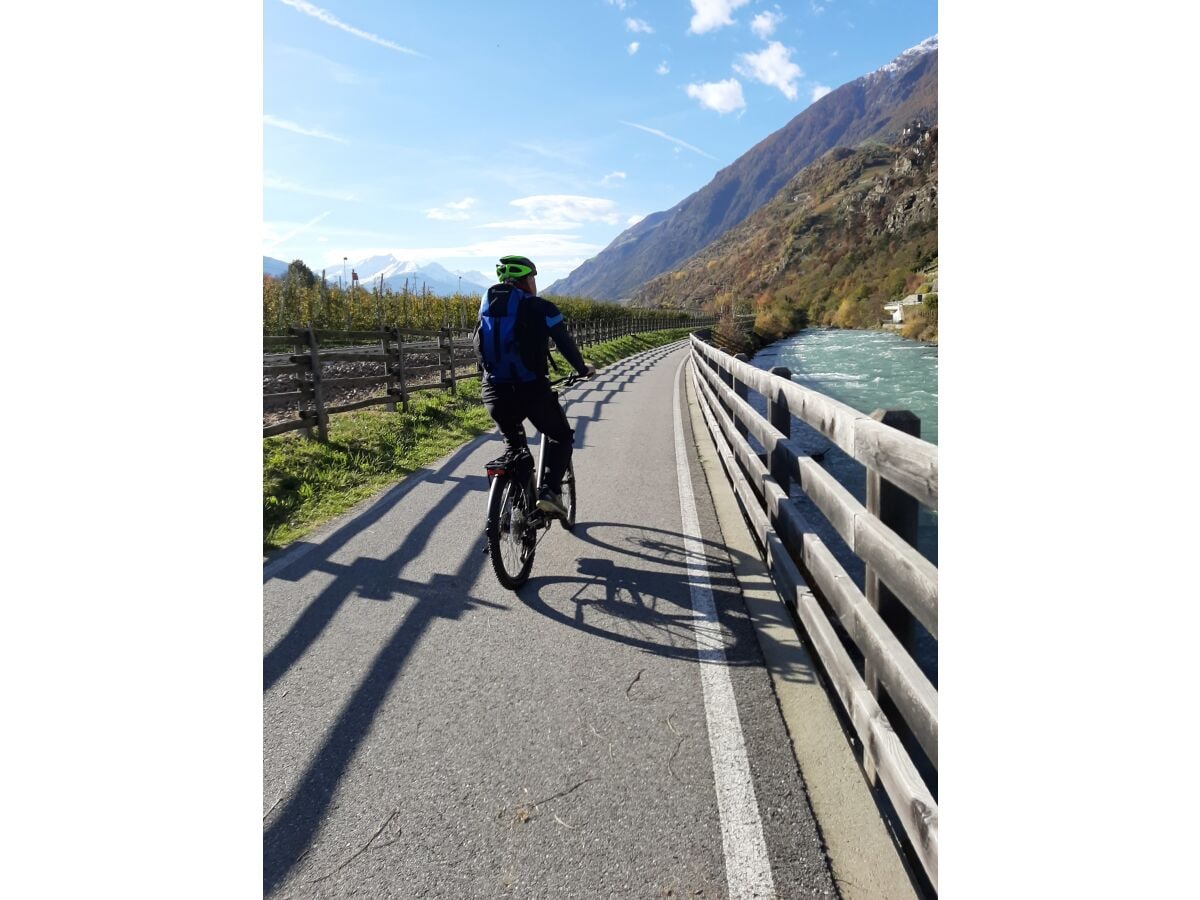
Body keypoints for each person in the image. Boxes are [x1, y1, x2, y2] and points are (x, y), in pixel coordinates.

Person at [475, 254, 595, 519]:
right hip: (532, 391)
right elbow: (564, 343)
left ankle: (513, 512)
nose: (534, 282)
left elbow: (480, 350)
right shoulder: (543, 308)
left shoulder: (488, 309)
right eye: (533, 277)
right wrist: (582, 369)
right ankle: (550, 492)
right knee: (561, 436)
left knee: (514, 448)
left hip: (494, 392)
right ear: (526, 280)